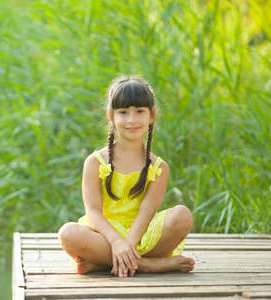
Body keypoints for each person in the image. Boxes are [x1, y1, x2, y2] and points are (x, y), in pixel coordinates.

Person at [58, 75, 195, 278]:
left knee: (182, 215)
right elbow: (93, 212)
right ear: (111, 116)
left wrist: (128, 244)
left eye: (140, 111)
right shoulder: (95, 162)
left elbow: (146, 213)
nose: (132, 120)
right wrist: (116, 242)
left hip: (142, 236)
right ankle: (148, 265)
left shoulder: (158, 167)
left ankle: (108, 263)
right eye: (123, 112)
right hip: (105, 236)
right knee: (68, 233)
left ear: (151, 115)